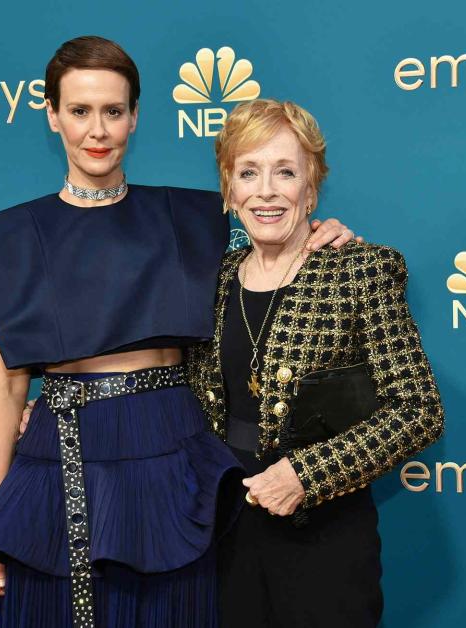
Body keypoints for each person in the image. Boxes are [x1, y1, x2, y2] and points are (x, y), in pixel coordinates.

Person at [0, 37, 358, 627]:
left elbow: (276, 239)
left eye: (113, 111)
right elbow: (5, 391)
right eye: (80, 110)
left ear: (134, 117)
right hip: (58, 455)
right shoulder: (5, 241)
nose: (97, 130)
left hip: (170, 451)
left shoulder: (196, 219)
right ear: (51, 114)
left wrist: (329, 236)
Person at [186, 99, 445, 627]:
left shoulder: (358, 270)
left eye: (286, 172)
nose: (266, 191)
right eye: (248, 172)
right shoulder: (209, 280)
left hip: (325, 534)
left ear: (312, 186)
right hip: (222, 531)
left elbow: (419, 409)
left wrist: (307, 474)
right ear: (228, 188)